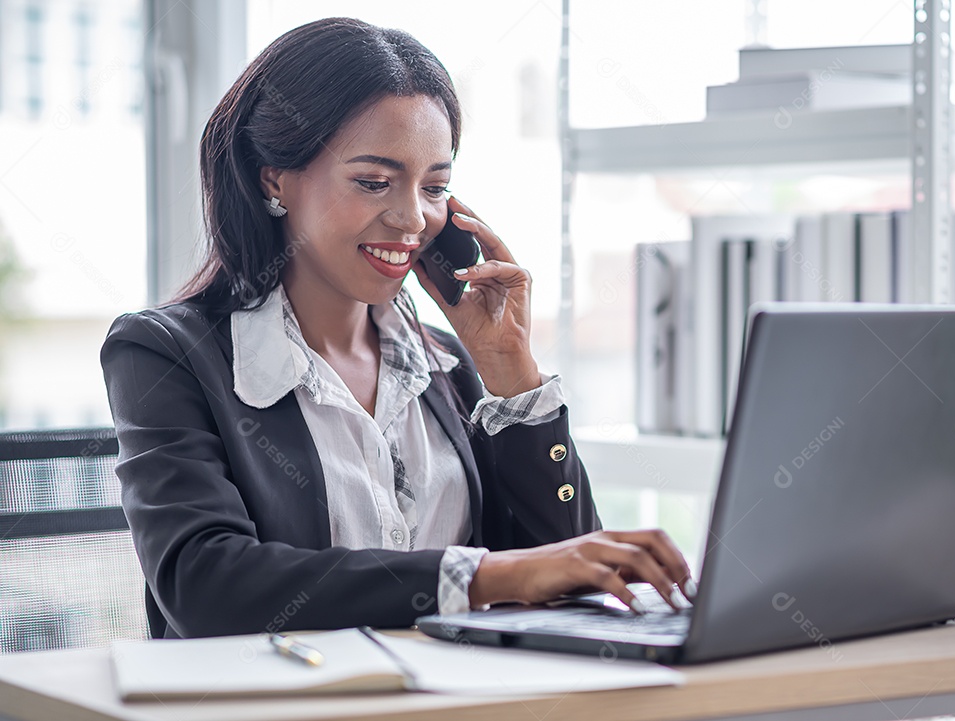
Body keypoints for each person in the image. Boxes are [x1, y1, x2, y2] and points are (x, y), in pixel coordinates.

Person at [100, 17, 695, 639]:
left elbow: (571, 569)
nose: (414, 218)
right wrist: (482, 577)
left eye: (435, 186)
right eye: (374, 182)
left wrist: (511, 372)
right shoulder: (165, 354)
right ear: (273, 177)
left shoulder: (446, 368)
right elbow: (207, 585)